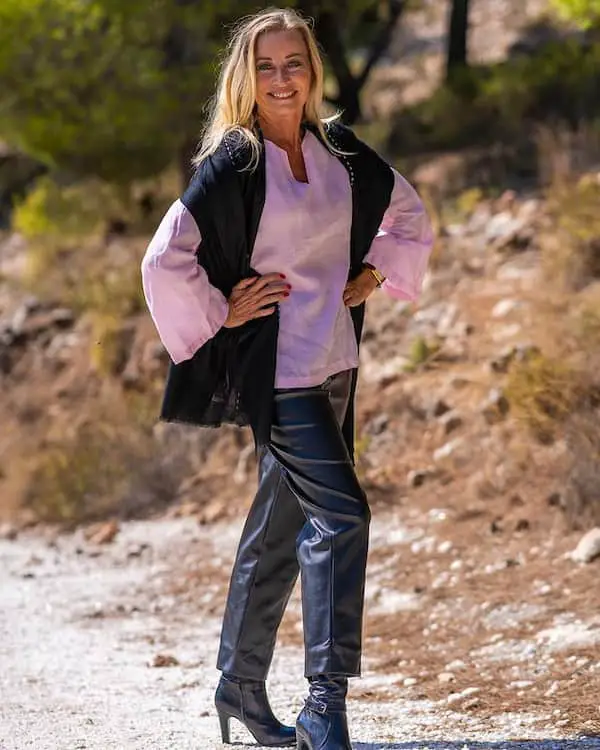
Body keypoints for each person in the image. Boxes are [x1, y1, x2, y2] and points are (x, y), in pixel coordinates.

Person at [141, 8, 433, 750]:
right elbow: (162, 260)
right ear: (248, 76)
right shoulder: (234, 163)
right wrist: (223, 309)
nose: (281, 79)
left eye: (293, 64)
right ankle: (323, 705)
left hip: (337, 364)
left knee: (279, 531)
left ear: (313, 70)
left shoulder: (337, 150)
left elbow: (409, 213)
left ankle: (238, 686)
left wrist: (375, 271)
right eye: (266, 66)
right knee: (344, 517)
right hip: (283, 376)